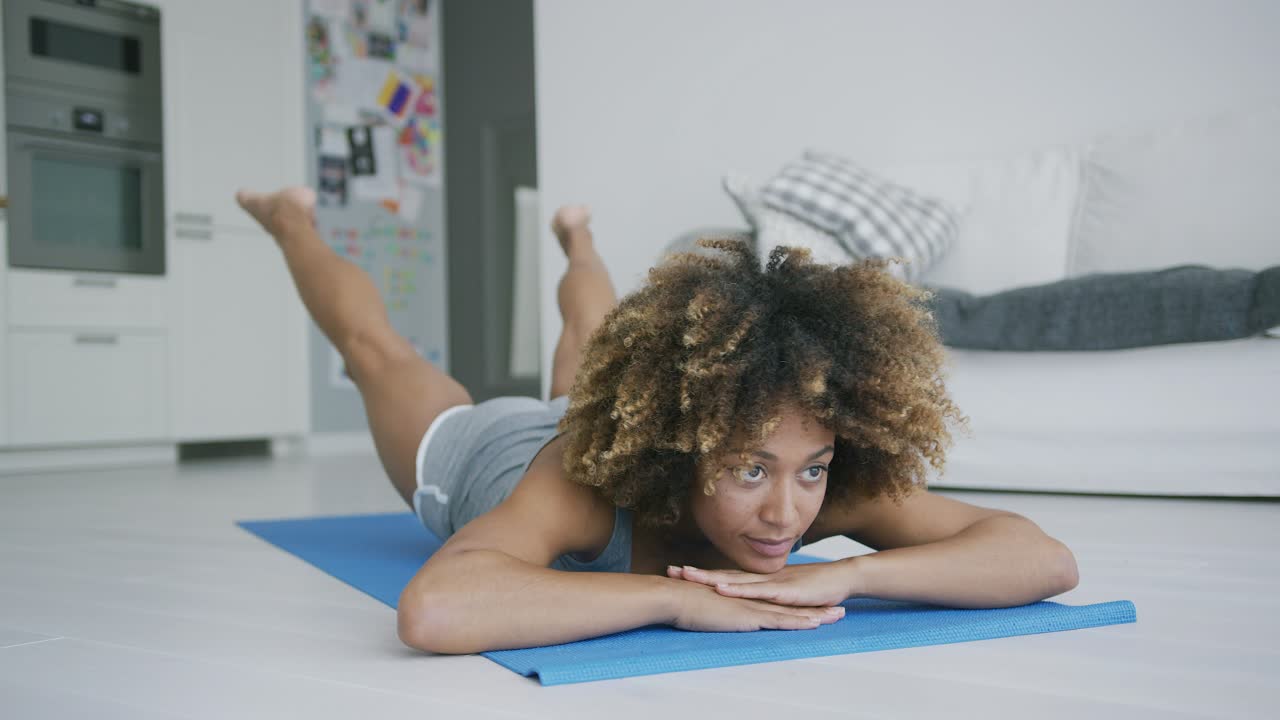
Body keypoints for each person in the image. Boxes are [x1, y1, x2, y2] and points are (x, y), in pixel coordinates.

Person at [235, 186, 1079, 656]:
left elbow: (1043, 559)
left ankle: (578, 243)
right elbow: (434, 611)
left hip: (600, 418)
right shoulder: (581, 485)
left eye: (811, 469)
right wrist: (675, 604)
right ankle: (289, 221)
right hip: (488, 451)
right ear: (686, 443)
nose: (788, 514)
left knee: (594, 357)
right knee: (380, 353)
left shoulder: (816, 485)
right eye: (751, 470)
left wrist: (849, 576)